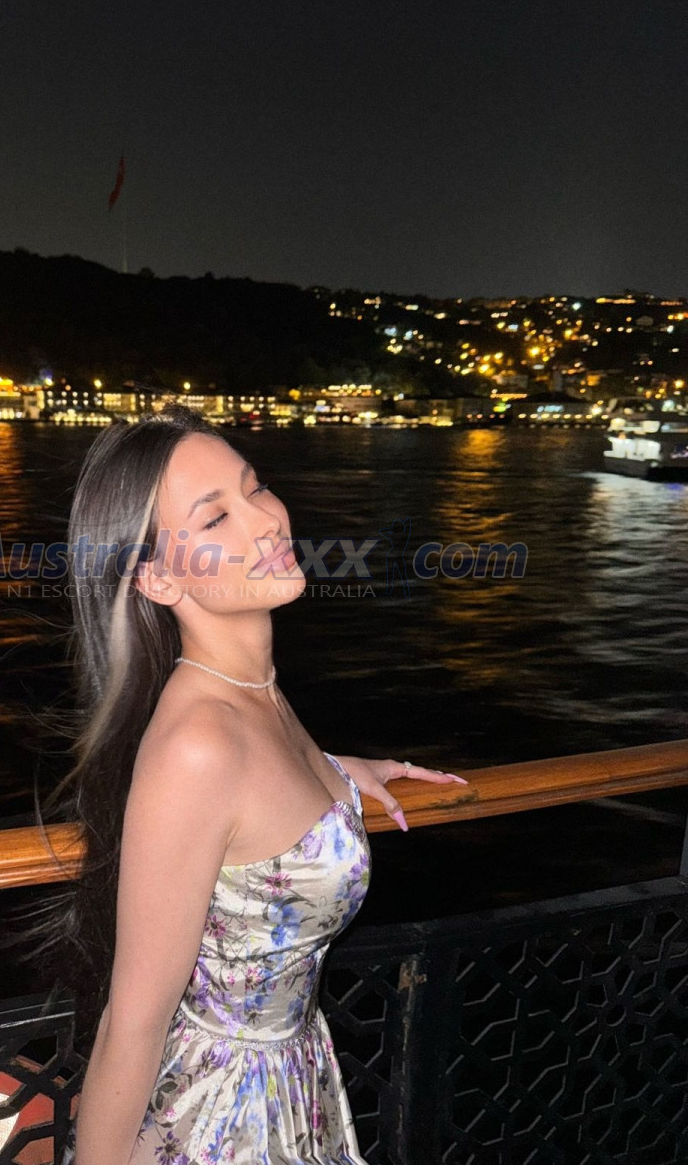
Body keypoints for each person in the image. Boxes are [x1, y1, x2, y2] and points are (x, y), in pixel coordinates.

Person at [40, 402, 468, 1165]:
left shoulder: (255, 694)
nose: (267, 521)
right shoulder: (198, 747)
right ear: (157, 578)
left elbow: (259, 801)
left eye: (256, 486)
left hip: (291, 1081)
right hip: (224, 1120)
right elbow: (131, 1025)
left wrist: (337, 774)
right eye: (216, 518)